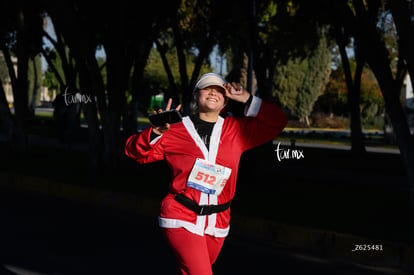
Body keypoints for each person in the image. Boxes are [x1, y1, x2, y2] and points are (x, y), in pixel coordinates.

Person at [124, 72, 287, 275]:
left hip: (217, 221)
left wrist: (247, 98)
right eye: (207, 87)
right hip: (181, 215)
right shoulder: (173, 129)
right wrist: (155, 132)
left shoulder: (237, 130)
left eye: (219, 90)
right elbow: (135, 152)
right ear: (196, 95)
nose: (213, 92)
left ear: (226, 100)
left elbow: (277, 121)